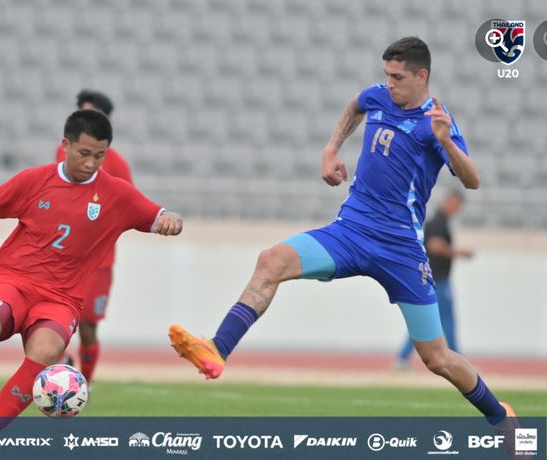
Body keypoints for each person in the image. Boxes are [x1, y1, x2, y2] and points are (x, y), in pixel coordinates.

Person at [169, 37, 518, 430]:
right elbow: (356, 106)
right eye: (386, 75)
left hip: (399, 247)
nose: (389, 84)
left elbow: (472, 180)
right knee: (272, 260)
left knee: (436, 357)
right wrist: (331, 148)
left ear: (423, 76)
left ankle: (499, 416)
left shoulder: (436, 122)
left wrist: (444, 143)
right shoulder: (378, 97)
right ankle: (218, 349)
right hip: (350, 231)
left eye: (398, 77)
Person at [0, 110, 182, 439]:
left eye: (100, 156)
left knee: (46, 352)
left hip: (62, 297)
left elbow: (160, 214)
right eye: (84, 154)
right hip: (13, 279)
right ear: (66, 145)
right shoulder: (34, 180)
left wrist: (170, 220)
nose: (91, 164)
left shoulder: (117, 194)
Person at [54, 90, 133, 387]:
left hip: (98, 262)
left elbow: (129, 207)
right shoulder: (62, 154)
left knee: (87, 328)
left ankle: (82, 385)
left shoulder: (118, 165)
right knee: (48, 322)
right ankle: (60, 367)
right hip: (62, 259)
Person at [396, 190, 473, 367]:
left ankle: (402, 358)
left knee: (424, 322)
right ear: (450, 201)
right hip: (439, 280)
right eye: (457, 203)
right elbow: (435, 246)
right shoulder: (438, 221)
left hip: (434, 280)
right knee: (447, 320)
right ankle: (459, 361)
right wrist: (459, 252)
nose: (458, 208)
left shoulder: (439, 220)